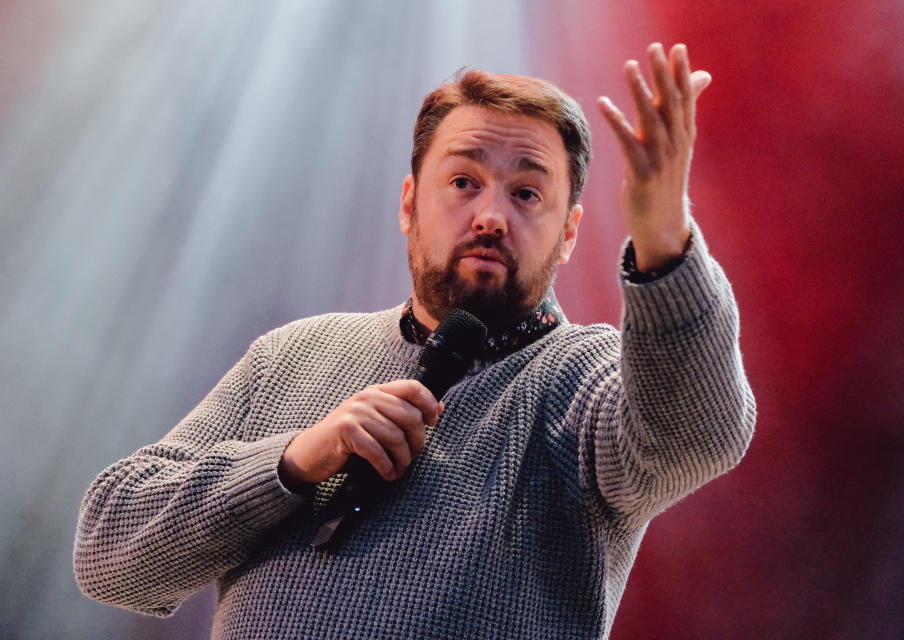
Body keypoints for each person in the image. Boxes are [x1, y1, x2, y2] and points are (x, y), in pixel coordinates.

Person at [75, 43, 756, 639]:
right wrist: (292, 460)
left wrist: (665, 241)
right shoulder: (291, 357)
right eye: (463, 182)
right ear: (408, 203)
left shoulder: (586, 377)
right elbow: (109, 553)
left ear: (570, 232)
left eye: (527, 194)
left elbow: (695, 435)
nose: (490, 215)